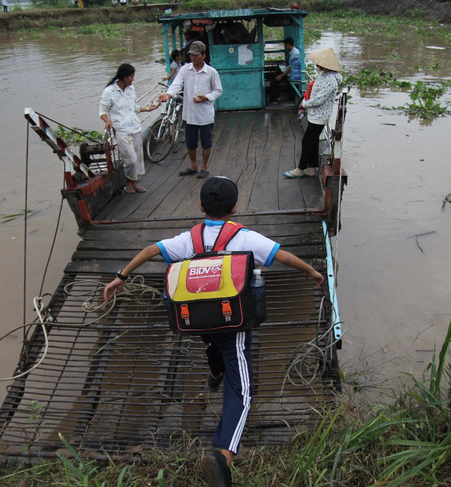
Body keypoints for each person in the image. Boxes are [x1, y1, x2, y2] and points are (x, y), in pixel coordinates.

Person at [103, 176, 324, 487]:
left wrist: (121, 276)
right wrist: (311, 271)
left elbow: (151, 250)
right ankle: (224, 454)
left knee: (216, 345)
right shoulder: (245, 238)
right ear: (235, 208)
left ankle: (215, 372)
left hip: (197, 318)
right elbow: (282, 256)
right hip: (231, 320)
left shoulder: (189, 239)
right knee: (243, 392)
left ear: (200, 207)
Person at [158, 41, 222, 180]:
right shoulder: (185, 70)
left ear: (203, 55)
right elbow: (176, 85)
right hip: (189, 114)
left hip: (205, 114)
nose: (193, 57)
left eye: (196, 55)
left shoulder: (211, 72)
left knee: (206, 142)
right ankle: (193, 165)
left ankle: (204, 166)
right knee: (190, 142)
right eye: (191, 55)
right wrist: (168, 95)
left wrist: (206, 97)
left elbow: (218, 90)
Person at [99, 64, 159, 194]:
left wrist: (148, 109)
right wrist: (107, 121)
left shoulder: (131, 89)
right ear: (124, 77)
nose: (133, 79)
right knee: (130, 159)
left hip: (135, 126)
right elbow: (102, 111)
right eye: (131, 76)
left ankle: (134, 184)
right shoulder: (109, 92)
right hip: (121, 129)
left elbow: (133, 107)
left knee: (137, 157)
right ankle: (128, 183)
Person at [283, 48, 342, 179]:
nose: (317, 65)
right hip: (315, 114)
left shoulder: (331, 80)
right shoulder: (324, 75)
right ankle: (311, 168)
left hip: (320, 116)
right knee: (313, 141)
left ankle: (300, 168)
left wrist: (304, 104)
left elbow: (319, 99)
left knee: (307, 141)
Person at [268, 37, 301, 104]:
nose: (285, 47)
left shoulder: (295, 53)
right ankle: (276, 98)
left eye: (285, 45)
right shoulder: (293, 52)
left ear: (288, 44)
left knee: (274, 80)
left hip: (293, 75)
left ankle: (274, 100)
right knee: (275, 77)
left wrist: (281, 75)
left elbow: (292, 68)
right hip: (291, 73)